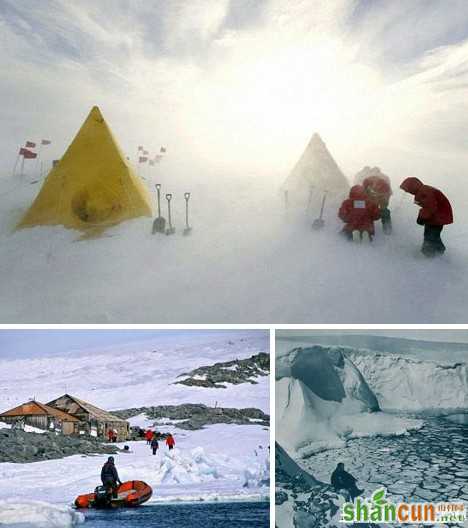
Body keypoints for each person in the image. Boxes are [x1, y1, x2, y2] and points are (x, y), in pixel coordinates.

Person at [400, 177, 453, 257]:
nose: (407, 192)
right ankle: (439, 251)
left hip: (438, 217)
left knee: (430, 236)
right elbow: (427, 207)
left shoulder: (424, 192)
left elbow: (430, 207)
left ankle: (429, 254)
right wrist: (422, 216)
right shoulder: (423, 190)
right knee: (433, 234)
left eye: (407, 190)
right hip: (436, 217)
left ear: (412, 187)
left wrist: (422, 218)